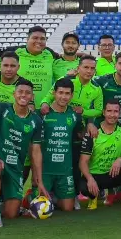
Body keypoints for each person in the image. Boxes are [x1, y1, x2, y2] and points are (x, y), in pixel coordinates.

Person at [0, 80, 43, 227]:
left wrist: (39, 181)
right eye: (20, 92)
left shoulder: (36, 120)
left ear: (32, 96)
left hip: (16, 167)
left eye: (27, 93)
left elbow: (35, 151)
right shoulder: (2, 108)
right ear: (14, 94)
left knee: (12, 214)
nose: (23, 95)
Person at [32, 78, 82, 213]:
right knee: (38, 206)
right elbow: (34, 147)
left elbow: (80, 134)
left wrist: (89, 123)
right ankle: (35, 195)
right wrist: (35, 174)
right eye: (60, 93)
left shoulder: (74, 115)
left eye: (67, 94)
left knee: (68, 208)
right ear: (54, 93)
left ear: (71, 95)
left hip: (65, 170)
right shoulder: (41, 114)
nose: (63, 97)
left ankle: (53, 199)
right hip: (45, 170)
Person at [0, 26, 62, 106]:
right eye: (35, 38)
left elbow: (65, 57)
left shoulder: (50, 53)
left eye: (42, 39)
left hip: (45, 108)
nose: (39, 41)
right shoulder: (16, 51)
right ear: (27, 39)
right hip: (19, 108)